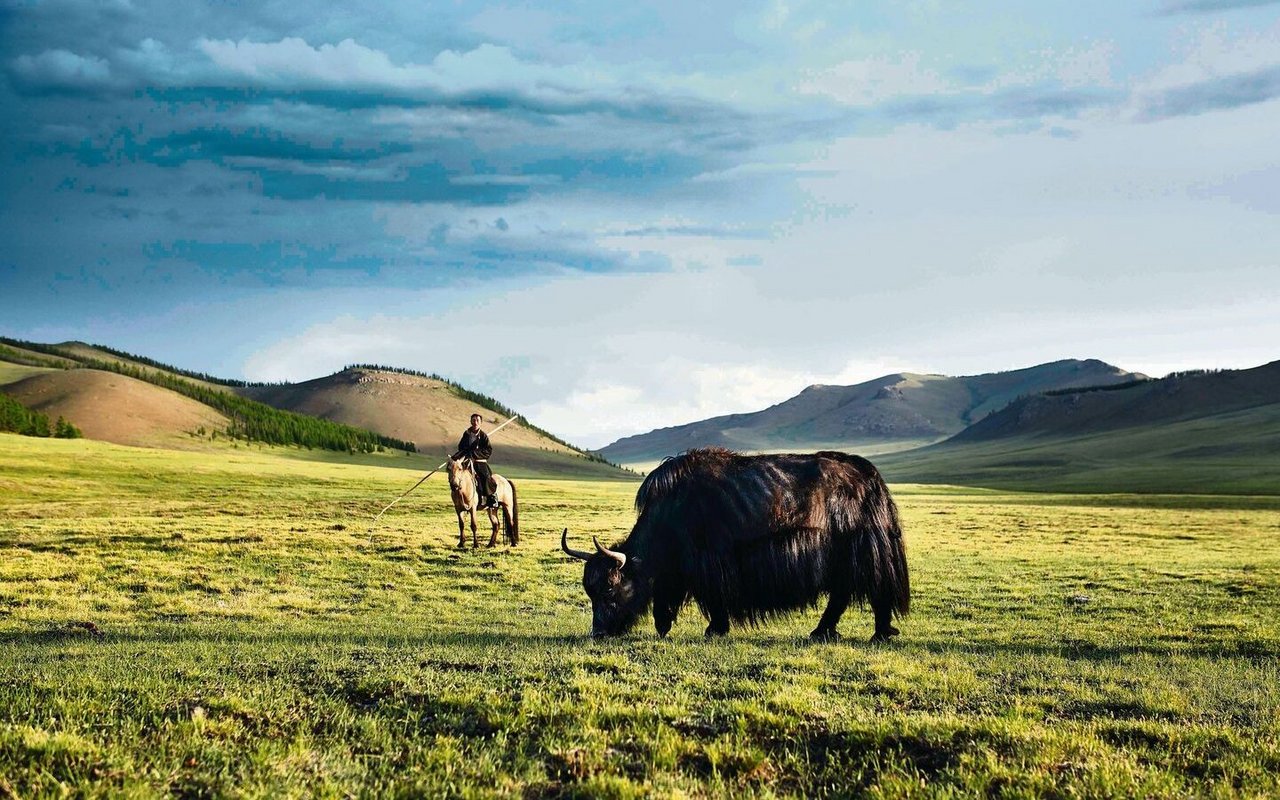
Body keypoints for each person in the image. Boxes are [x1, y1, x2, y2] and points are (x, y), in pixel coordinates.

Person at [454, 413, 499, 509]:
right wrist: (458, 456)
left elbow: (488, 450)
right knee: (456, 473)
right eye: (473, 420)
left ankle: (492, 497)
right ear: (471, 422)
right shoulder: (466, 434)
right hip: (466, 460)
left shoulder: (483, 436)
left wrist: (475, 453)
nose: (475, 422)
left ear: (481, 423)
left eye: (477, 420)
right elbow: (460, 447)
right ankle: (458, 497)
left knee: (486, 476)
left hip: (479, 461)